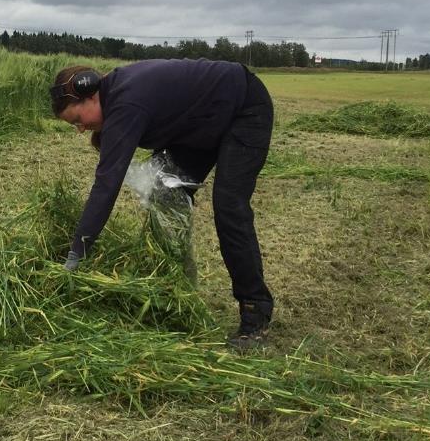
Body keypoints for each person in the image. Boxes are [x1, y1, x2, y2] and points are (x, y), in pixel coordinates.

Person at [49, 59, 274, 348]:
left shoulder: (125, 103)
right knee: (163, 193)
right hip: (201, 125)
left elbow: (106, 185)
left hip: (243, 108)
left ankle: (255, 312)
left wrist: (76, 254)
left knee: (229, 205)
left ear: (90, 94)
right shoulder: (117, 95)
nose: (80, 129)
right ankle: (174, 290)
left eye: (77, 120)